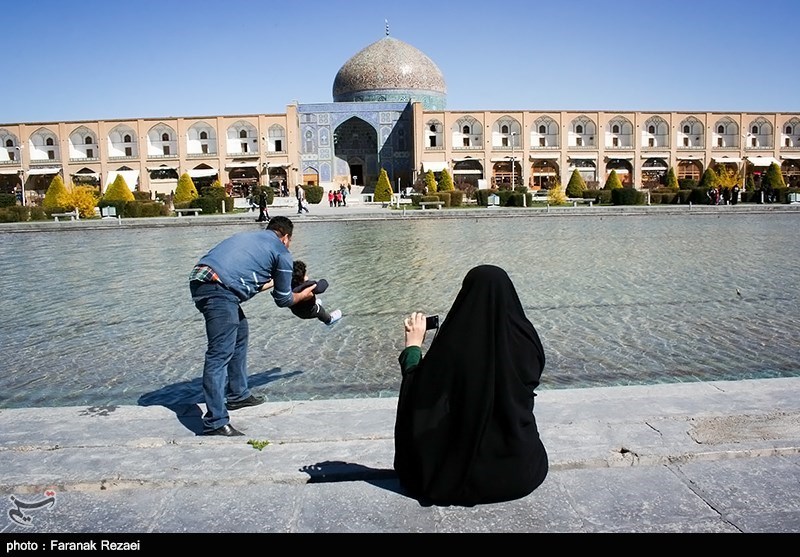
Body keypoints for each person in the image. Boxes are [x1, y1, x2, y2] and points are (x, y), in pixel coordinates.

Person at [394, 264, 548, 506]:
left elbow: (421, 396)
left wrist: (412, 347)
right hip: (522, 470)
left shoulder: (454, 347)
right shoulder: (528, 342)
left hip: (461, 477)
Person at [189, 216, 316, 436]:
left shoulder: (251, 238)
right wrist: (303, 294)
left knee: (240, 332)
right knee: (219, 355)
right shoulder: (282, 252)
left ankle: (238, 395)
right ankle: (215, 421)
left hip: (203, 280)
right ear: (286, 237)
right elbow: (284, 300)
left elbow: (245, 280)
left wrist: (278, 281)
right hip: (219, 290)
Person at [290, 260, 342, 325]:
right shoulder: (308, 285)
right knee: (319, 310)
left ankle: (314, 304)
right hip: (308, 311)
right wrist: (323, 281)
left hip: (296, 310)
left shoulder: (288, 286)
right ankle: (329, 320)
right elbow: (322, 288)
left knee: (309, 300)